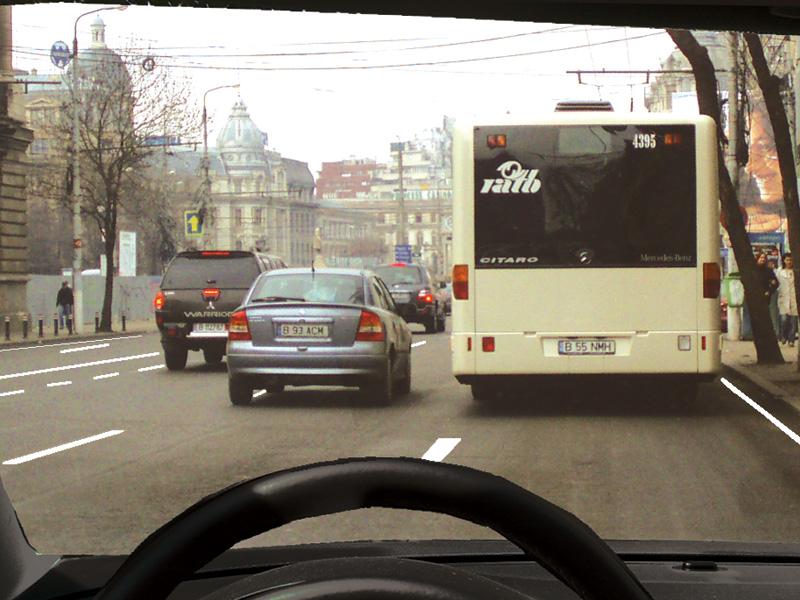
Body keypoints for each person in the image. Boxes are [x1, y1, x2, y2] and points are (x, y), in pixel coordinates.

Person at [777, 253, 798, 346]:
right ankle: (783, 336)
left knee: (793, 321)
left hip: (793, 297)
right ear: (784, 261)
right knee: (784, 319)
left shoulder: (795, 271)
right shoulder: (779, 271)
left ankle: (791, 340)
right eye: (787, 260)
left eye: (790, 260)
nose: (789, 262)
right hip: (783, 297)